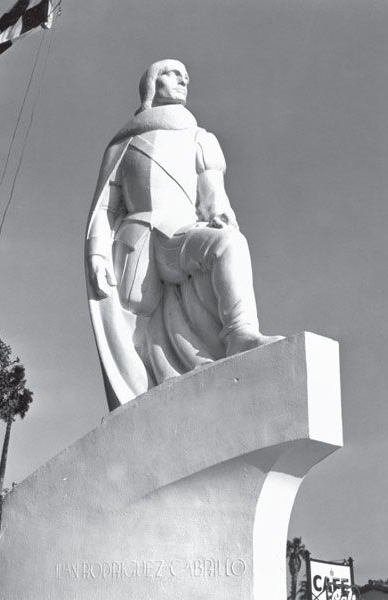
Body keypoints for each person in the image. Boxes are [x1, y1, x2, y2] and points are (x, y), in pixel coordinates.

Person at [86, 59, 282, 409]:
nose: (183, 79)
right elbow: (105, 208)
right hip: (136, 245)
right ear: (151, 83)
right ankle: (148, 384)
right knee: (142, 333)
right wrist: (96, 254)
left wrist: (221, 215)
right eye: (172, 73)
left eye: (185, 75)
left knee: (229, 244)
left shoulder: (199, 139)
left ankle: (241, 335)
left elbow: (213, 196)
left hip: (180, 235)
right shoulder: (123, 145)